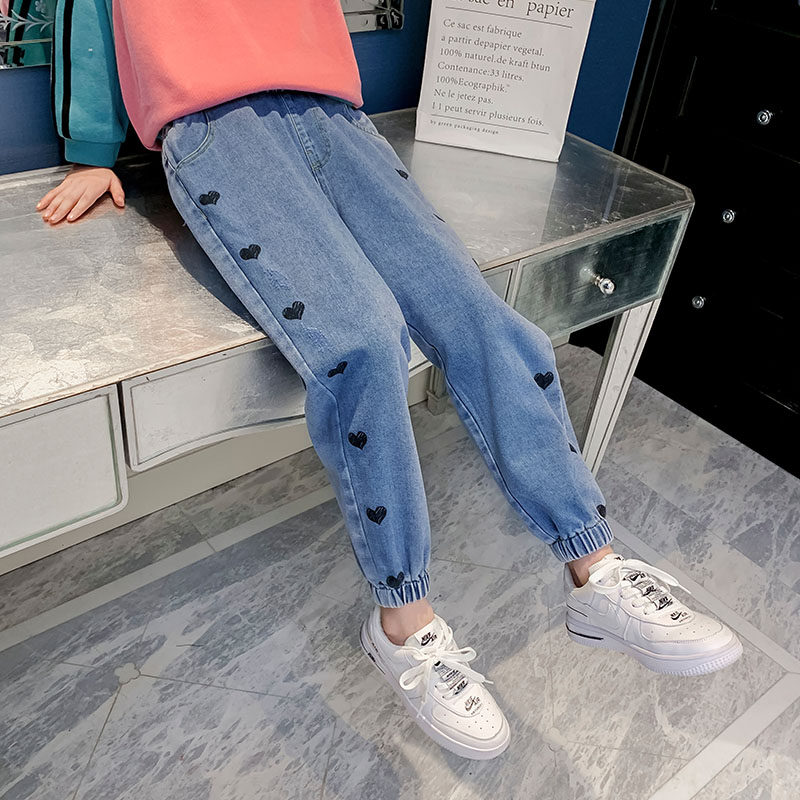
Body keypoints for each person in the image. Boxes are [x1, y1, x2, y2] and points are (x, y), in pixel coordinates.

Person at [37, 0, 742, 761]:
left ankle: (594, 566)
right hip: (216, 130)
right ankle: (403, 621)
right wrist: (92, 149)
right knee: (364, 341)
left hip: (335, 116)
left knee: (478, 315)